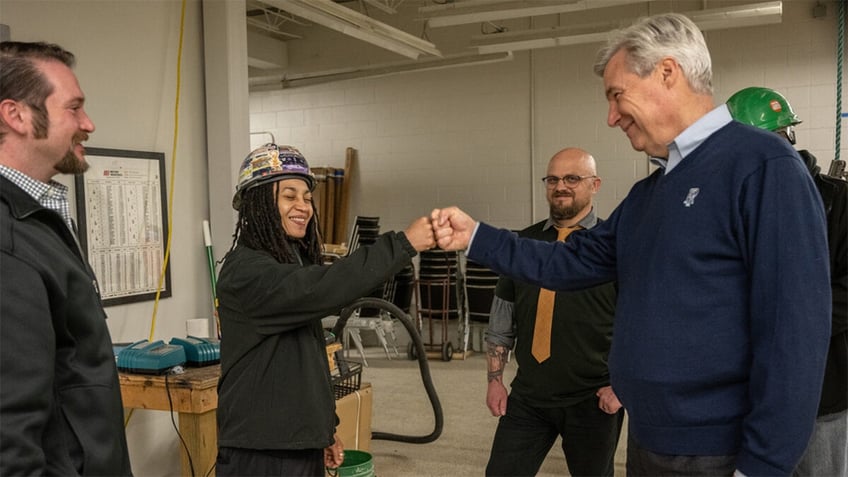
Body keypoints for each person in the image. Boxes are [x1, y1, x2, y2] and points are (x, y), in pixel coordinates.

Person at [430, 13, 831, 477]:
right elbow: (570, 260)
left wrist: (763, 465)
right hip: (649, 443)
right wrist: (477, 236)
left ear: (667, 72)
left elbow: (794, 334)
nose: (611, 116)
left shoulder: (760, 166)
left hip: (721, 454)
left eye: (616, 95)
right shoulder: (650, 194)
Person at [214, 143, 434, 476]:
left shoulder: (287, 263)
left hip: (295, 444)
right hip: (263, 452)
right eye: (290, 196)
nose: (303, 206)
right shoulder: (246, 272)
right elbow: (327, 285)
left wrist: (324, 431)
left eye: (307, 197)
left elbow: (307, 362)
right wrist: (404, 244)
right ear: (258, 203)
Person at [0, 41, 133, 475]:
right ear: (16, 115)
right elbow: (10, 435)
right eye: (74, 108)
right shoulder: (10, 240)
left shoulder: (35, 220)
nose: (88, 123)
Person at [727, 86, 847, 477]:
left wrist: (788, 318)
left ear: (787, 139)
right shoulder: (730, 207)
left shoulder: (838, 202)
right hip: (745, 396)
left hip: (821, 394)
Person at [484, 147, 623, 477]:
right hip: (529, 396)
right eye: (553, 179)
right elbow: (503, 315)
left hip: (593, 399)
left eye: (573, 178)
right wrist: (494, 380)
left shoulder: (614, 246)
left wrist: (624, 386)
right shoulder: (526, 242)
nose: (561, 186)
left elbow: (642, 323)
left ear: (595, 184)